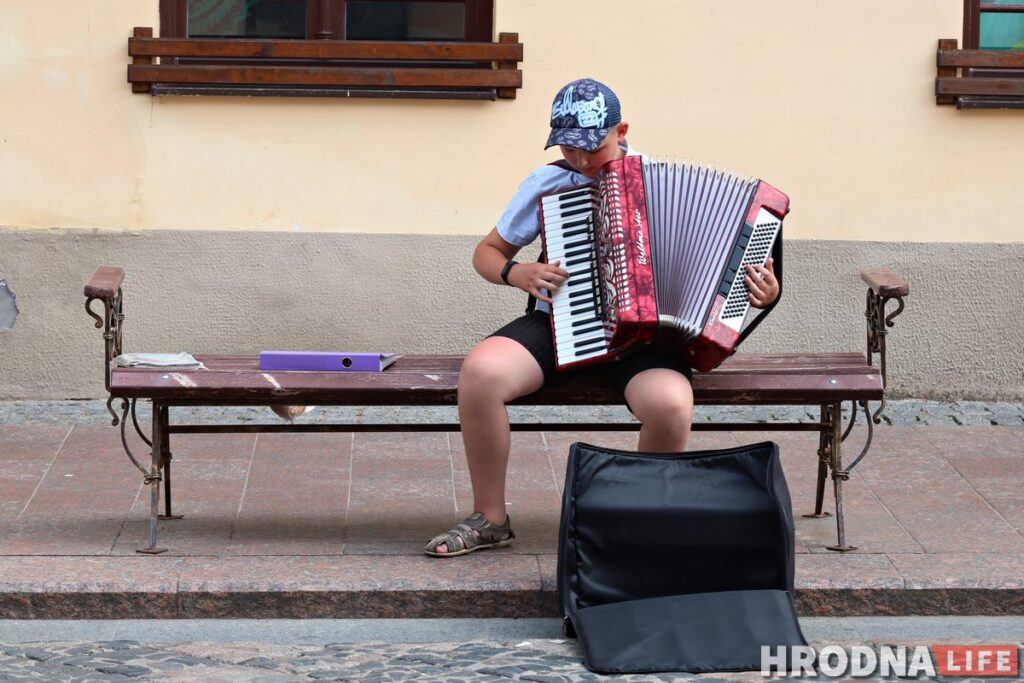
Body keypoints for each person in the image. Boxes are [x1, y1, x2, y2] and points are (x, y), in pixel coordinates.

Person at [423, 78, 779, 557]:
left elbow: (735, 274)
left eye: (593, 148)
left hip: (646, 339)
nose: (582, 162)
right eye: (570, 150)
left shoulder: (660, 179)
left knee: (671, 405)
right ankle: (490, 518)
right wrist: (517, 272)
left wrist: (762, 291)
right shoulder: (548, 183)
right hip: (560, 322)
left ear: (622, 130)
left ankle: (642, 521)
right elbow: (486, 252)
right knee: (482, 371)